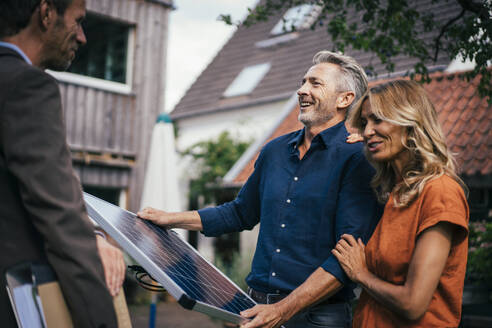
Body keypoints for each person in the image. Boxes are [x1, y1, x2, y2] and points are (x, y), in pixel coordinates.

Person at [138, 51, 383, 328]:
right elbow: (240, 213)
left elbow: (346, 259)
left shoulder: (359, 159)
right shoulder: (275, 151)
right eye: (303, 82)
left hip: (317, 318)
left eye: (315, 83)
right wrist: (171, 219)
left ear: (344, 99)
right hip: (256, 308)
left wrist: (282, 309)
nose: (302, 90)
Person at [0, 0, 125, 326]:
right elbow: (59, 218)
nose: (82, 37)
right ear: (45, 13)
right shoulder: (26, 86)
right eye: (78, 21)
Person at [332, 79, 469, 327]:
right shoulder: (397, 192)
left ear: (410, 122)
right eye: (364, 123)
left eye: (378, 119)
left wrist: (360, 274)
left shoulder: (439, 191)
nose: (367, 131)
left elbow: (412, 304)